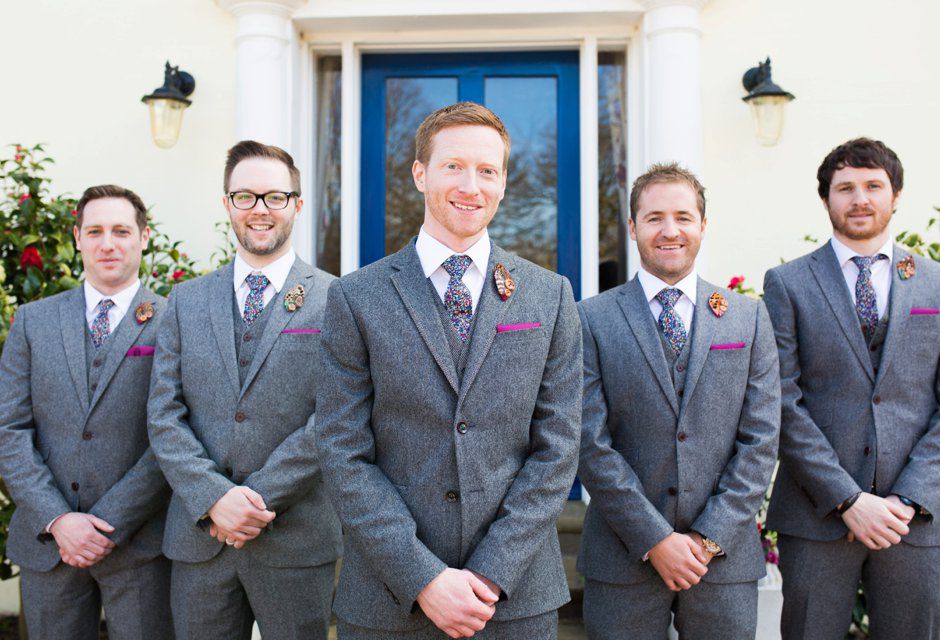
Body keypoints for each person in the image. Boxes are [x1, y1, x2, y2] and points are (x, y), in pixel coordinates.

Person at [315, 102, 582, 639]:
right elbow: (343, 449)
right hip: (389, 599)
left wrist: (491, 572)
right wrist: (422, 577)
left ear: (503, 183)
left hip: (515, 596)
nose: (471, 186)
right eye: (453, 166)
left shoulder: (549, 295)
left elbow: (558, 446)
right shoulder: (355, 297)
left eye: (487, 171)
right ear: (420, 173)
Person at [764, 137, 940, 640]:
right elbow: (782, 401)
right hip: (817, 516)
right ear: (825, 198)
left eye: (873, 186)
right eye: (845, 187)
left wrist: (908, 498)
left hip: (915, 519)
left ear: (896, 196)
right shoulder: (788, 284)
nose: (860, 199)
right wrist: (848, 499)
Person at [577, 163, 780, 639]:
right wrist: (654, 539)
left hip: (723, 562)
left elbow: (762, 438)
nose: (670, 231)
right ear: (633, 227)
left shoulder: (748, 317)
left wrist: (709, 537)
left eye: (684, 217)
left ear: (703, 226)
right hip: (622, 558)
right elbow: (588, 441)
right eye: (654, 218)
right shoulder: (591, 318)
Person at [147, 141, 341, 639]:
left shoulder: (337, 299)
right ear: (227, 203)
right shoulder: (185, 301)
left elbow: (336, 415)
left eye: (275, 197)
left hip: (296, 541)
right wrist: (215, 498)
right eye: (245, 196)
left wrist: (253, 501)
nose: (260, 209)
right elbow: (164, 415)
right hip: (200, 540)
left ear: (297, 204)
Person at [0, 185, 172, 639]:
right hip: (49, 543)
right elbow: (9, 429)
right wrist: (59, 519)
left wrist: (107, 523)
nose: (107, 243)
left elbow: (175, 432)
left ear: (144, 237)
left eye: (121, 231)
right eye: (95, 231)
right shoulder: (33, 321)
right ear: (77, 238)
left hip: (141, 544)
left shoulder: (174, 320)